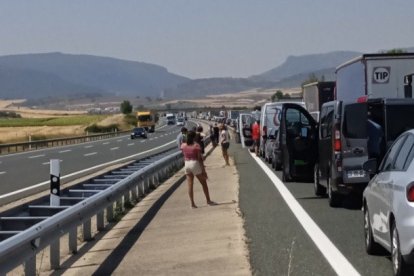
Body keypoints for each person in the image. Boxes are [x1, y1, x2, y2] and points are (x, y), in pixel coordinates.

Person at [180, 130, 214, 208]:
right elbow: (200, 159)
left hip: (187, 164)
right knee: (204, 183)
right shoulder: (196, 146)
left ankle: (192, 203)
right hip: (194, 163)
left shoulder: (183, 145)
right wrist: (204, 171)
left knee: (190, 185)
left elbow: (183, 154)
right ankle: (208, 200)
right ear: (194, 137)